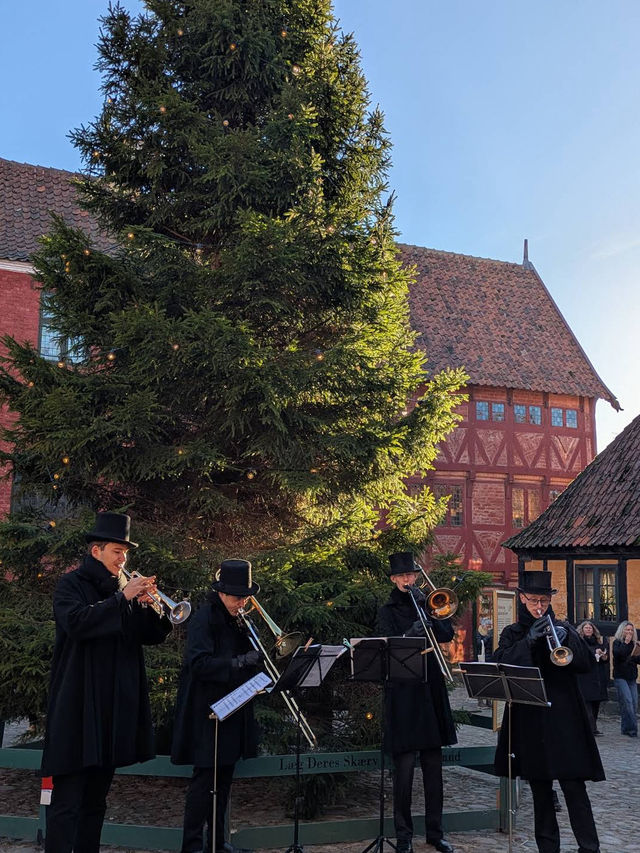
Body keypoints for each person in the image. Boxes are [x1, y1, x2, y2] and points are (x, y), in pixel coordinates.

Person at [41, 511, 173, 853]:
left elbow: (151, 637)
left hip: (110, 712)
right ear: (96, 551)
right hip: (76, 709)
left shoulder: (123, 591)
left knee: (96, 803)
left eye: (126, 553)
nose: (123, 559)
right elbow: (78, 623)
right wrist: (124, 598)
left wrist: (149, 609)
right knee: (66, 803)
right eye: (117, 551)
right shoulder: (70, 585)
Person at [493, 571, 604, 853]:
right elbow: (502, 663)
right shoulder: (513, 633)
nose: (539, 606)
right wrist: (529, 641)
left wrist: (572, 640)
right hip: (532, 719)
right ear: (522, 599)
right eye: (533, 600)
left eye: (543, 600)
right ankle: (548, 848)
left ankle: (589, 848)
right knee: (540, 791)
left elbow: (585, 665)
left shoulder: (563, 627)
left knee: (574, 787)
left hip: (566, 719)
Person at [171, 559, 262, 853]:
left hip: (232, 711)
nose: (242, 602)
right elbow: (198, 665)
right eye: (237, 597)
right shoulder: (204, 618)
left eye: (246, 597)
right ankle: (193, 846)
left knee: (223, 781)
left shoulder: (238, 619)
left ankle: (217, 843)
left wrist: (256, 659)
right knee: (203, 784)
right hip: (206, 712)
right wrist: (238, 662)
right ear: (222, 593)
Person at [374, 552, 456, 853]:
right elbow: (385, 648)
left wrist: (434, 614)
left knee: (434, 768)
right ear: (394, 579)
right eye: (404, 576)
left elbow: (447, 634)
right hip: (404, 693)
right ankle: (404, 835)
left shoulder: (427, 601)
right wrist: (411, 633)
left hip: (430, 689)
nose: (409, 580)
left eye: (412, 575)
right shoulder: (387, 610)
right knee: (405, 771)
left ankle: (436, 832)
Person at [576, 620, 609, 735]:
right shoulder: (579, 642)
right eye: (586, 628)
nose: (589, 629)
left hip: (597, 677)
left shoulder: (599, 642)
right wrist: (593, 653)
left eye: (590, 628)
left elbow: (606, 660)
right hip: (585, 677)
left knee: (595, 705)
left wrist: (604, 656)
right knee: (587, 706)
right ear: (582, 630)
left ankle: (592, 727)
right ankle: (591, 729)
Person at [611, 620, 640, 737]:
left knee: (633, 703)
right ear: (622, 630)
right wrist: (626, 642)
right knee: (627, 702)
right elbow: (619, 655)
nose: (629, 632)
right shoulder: (617, 643)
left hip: (632, 677)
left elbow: (637, 660)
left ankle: (625, 728)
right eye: (627, 630)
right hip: (620, 677)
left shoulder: (635, 644)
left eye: (631, 630)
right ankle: (632, 730)